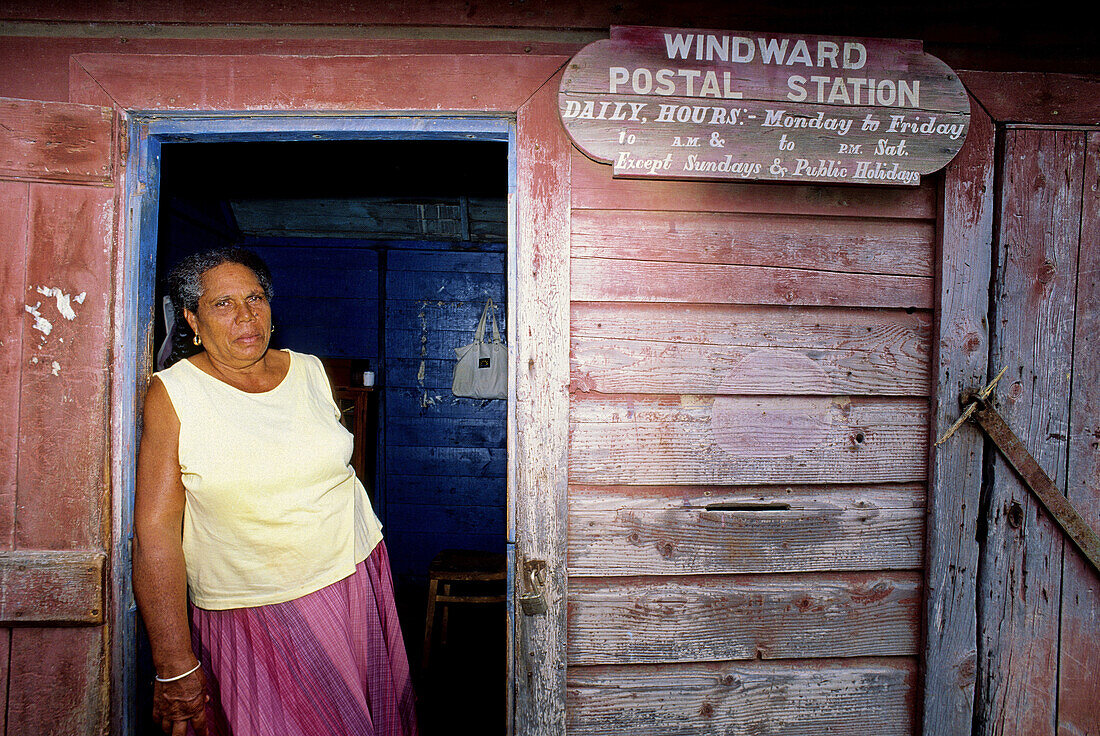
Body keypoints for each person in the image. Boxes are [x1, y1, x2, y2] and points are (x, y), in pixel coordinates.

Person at [133, 246, 418, 736]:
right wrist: (173, 660)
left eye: (256, 298)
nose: (246, 316)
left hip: (350, 579)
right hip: (250, 608)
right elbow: (154, 532)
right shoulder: (174, 393)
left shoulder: (308, 371)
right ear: (191, 319)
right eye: (222, 304)